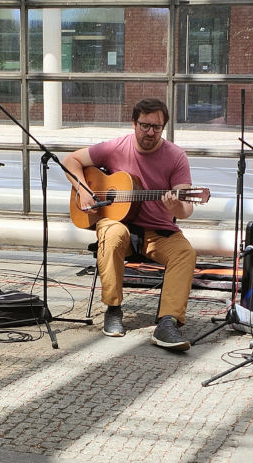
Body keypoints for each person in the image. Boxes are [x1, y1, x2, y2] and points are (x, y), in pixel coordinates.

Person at [62, 98, 197, 351]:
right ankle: (113, 309)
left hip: (158, 231)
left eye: (157, 127)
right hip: (118, 224)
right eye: (145, 125)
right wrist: (82, 189)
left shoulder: (176, 157)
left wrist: (175, 206)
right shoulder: (115, 148)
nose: (150, 132)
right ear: (134, 123)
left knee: (185, 252)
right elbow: (71, 161)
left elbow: (186, 207)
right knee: (111, 233)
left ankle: (167, 322)